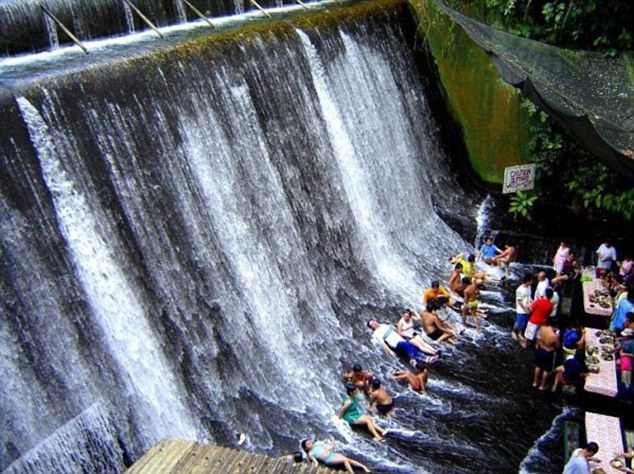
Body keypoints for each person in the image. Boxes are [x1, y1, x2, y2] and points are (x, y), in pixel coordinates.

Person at [367, 318, 440, 367]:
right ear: (372, 328)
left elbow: (395, 331)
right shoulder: (376, 333)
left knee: (412, 345)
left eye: (374, 322)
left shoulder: (384, 325)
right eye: (372, 325)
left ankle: (419, 359)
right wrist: (390, 351)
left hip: (401, 340)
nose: (374, 324)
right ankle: (425, 358)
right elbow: (383, 344)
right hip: (395, 344)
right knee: (406, 345)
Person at [301, 438, 371, 473]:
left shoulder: (317, 445)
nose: (311, 444)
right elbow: (315, 462)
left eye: (310, 442)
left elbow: (327, 448)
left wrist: (333, 443)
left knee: (349, 460)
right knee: (345, 460)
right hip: (328, 459)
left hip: (332, 454)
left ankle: (364, 467)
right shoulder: (310, 454)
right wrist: (314, 468)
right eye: (308, 444)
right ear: (306, 448)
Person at [532, 322, 560, 390]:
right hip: (548, 352)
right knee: (546, 369)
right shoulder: (554, 336)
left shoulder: (542, 328)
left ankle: (535, 382)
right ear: (555, 327)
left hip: (540, 348)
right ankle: (542, 385)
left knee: (538, 366)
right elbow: (557, 346)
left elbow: (538, 337)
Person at [513, 275, 533, 346]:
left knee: (523, 322)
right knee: (520, 323)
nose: (532, 282)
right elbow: (520, 301)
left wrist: (531, 305)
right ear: (527, 281)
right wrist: (525, 309)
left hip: (528, 307)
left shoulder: (529, 287)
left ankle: (518, 332)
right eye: (531, 280)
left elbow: (529, 297)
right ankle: (517, 332)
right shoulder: (519, 290)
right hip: (521, 309)